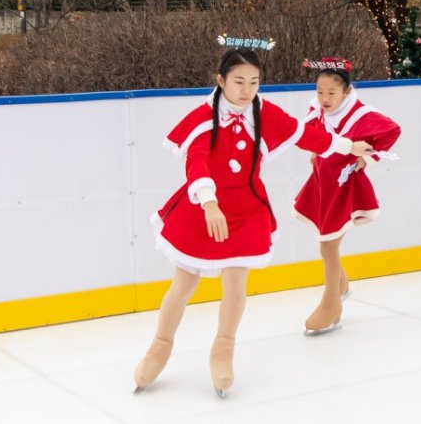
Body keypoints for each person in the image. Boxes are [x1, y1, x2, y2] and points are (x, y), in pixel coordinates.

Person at [133, 49, 371, 397]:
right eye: (239, 82)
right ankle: (160, 346)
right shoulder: (204, 117)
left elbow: (305, 134)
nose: (247, 90)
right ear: (221, 81)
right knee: (183, 285)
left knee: (235, 285)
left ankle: (223, 349)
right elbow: (196, 162)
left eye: (254, 82)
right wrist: (210, 203)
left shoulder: (263, 112)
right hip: (204, 206)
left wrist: (348, 146)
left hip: (246, 208)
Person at [293, 59, 401, 335]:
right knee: (325, 243)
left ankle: (331, 303)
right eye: (320, 91)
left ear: (345, 91)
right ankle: (341, 287)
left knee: (328, 244)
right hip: (321, 180)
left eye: (331, 93)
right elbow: (310, 135)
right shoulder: (317, 111)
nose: (324, 98)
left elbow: (392, 130)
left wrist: (367, 158)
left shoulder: (361, 114)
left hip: (343, 186)